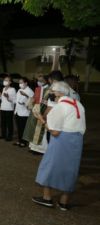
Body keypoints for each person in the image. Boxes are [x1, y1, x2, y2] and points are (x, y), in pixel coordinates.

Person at [32, 82, 86, 211]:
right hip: (77, 140)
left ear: (59, 93)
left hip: (62, 140)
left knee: (49, 166)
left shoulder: (60, 107)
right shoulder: (78, 104)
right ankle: (64, 203)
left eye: (52, 91)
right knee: (70, 170)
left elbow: (55, 131)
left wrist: (41, 119)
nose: (50, 94)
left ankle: (47, 198)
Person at [23, 74, 50, 154]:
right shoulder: (38, 89)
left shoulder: (49, 90)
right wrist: (31, 102)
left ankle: (41, 150)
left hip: (43, 112)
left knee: (40, 130)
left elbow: (50, 102)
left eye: (41, 81)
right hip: (35, 110)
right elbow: (34, 99)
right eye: (38, 80)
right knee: (33, 128)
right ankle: (33, 147)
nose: (39, 82)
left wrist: (45, 102)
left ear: (46, 80)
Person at [14, 78, 34, 147]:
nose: (20, 84)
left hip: (25, 113)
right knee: (19, 127)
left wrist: (25, 99)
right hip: (17, 111)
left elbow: (32, 101)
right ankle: (19, 140)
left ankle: (24, 142)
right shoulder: (19, 90)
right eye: (19, 83)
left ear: (26, 83)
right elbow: (16, 100)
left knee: (24, 128)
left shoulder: (30, 91)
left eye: (21, 82)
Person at [0, 76, 16, 141]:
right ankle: (3, 135)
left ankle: (10, 136)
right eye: (4, 80)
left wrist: (8, 97)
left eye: (7, 80)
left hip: (9, 108)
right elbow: (3, 99)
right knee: (3, 122)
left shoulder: (12, 89)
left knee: (9, 123)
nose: (5, 81)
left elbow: (14, 100)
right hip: (3, 107)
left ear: (10, 82)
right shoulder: (4, 88)